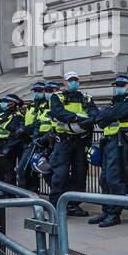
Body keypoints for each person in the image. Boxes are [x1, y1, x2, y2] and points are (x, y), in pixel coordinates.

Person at [84, 75, 128, 228]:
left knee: (114, 179)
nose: (118, 88)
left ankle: (114, 214)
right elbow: (103, 120)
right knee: (104, 179)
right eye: (117, 85)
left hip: (121, 143)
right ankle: (106, 210)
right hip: (109, 142)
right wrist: (104, 114)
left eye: (122, 85)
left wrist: (105, 113)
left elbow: (110, 115)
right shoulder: (116, 103)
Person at [48, 70, 98, 217]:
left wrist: (89, 120)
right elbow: (59, 113)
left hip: (81, 141)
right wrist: (78, 118)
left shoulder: (86, 98)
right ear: (65, 83)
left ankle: (73, 205)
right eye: (70, 80)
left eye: (76, 80)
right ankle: (55, 206)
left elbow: (94, 112)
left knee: (80, 174)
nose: (74, 82)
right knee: (61, 174)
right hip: (64, 141)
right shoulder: (57, 97)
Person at [17, 81, 50, 189]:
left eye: (39, 91)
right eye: (35, 91)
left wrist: (27, 129)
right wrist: (22, 128)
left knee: (42, 169)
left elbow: (38, 124)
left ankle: (35, 192)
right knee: (23, 168)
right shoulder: (31, 106)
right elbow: (26, 120)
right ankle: (27, 193)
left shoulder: (48, 105)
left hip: (42, 140)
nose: (37, 93)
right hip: (29, 140)